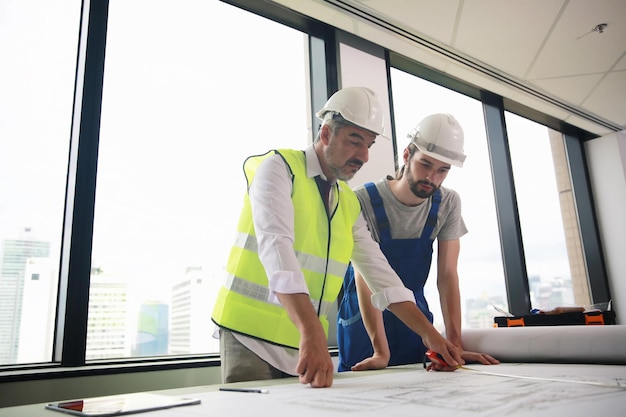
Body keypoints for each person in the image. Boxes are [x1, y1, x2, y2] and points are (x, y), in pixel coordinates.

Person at [211, 87, 464, 389]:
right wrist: (313, 331)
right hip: (250, 336)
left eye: (368, 144)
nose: (363, 156)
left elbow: (383, 279)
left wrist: (430, 335)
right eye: (354, 141)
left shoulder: (347, 201)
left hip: (299, 342)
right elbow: (277, 252)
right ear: (327, 134)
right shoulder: (278, 170)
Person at [337, 113, 500, 372]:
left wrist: (453, 345)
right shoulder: (362, 200)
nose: (432, 178)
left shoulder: (448, 203)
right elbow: (366, 280)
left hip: (416, 319)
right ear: (407, 155)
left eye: (443, 170)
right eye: (425, 165)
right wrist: (380, 351)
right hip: (365, 323)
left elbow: (447, 276)